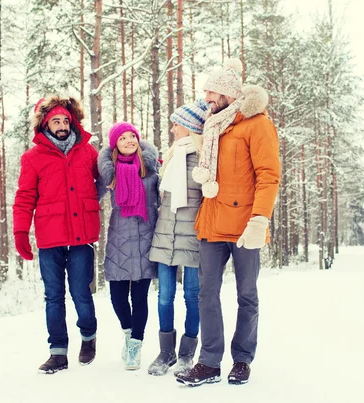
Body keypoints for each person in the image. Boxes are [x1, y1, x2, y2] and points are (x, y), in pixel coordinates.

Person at [175, 59, 281, 386]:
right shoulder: (212, 125)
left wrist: (259, 219)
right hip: (211, 223)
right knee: (206, 294)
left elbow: (269, 175)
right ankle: (208, 362)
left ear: (228, 93)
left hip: (245, 225)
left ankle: (242, 359)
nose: (206, 95)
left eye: (211, 90)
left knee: (246, 294)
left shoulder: (256, 124)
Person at [12, 96, 101, 374]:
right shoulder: (33, 157)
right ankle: (58, 352)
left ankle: (88, 337)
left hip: (81, 237)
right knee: (54, 296)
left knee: (80, 293)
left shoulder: (87, 152)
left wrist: (137, 164)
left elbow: (110, 174)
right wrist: (20, 231)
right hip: (50, 238)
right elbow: (25, 196)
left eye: (65, 120)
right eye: (56, 121)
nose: (62, 125)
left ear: (72, 121)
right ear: (45, 124)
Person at [147, 99, 210, 376]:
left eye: (176, 124)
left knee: (192, 296)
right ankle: (165, 353)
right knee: (164, 296)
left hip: (193, 236)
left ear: (189, 127)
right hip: (165, 234)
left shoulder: (204, 159)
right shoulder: (171, 158)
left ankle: (187, 354)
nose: (172, 129)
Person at [97, 122, 160, 370]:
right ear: (115, 145)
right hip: (119, 241)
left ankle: (135, 344)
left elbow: (165, 196)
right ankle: (127, 332)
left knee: (140, 297)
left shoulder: (151, 169)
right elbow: (91, 196)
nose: (128, 140)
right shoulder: (108, 175)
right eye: (122, 138)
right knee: (117, 297)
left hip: (146, 237)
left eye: (132, 136)